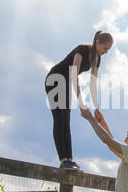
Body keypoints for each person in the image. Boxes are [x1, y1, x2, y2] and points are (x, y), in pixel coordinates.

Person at [45, 31, 113, 170]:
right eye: (105, 48)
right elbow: (73, 75)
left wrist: (96, 108)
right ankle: (64, 160)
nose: (106, 52)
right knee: (60, 119)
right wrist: (81, 102)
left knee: (66, 121)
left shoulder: (97, 59)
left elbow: (92, 83)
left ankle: (69, 160)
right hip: (54, 79)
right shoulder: (82, 50)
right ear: (97, 42)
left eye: (109, 49)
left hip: (64, 84)